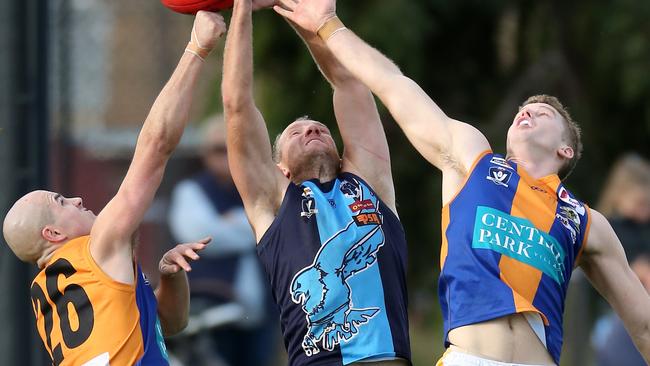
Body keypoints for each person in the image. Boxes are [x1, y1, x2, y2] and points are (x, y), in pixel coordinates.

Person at [275, 1, 650, 365]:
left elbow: (644, 325)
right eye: (523, 109)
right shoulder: (474, 161)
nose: (528, 109)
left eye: (545, 111)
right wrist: (328, 25)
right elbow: (392, 85)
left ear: (566, 150)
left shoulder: (586, 221)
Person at [1, 11, 226, 365]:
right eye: (61, 201)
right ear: (53, 231)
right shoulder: (97, 249)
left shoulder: (47, 292)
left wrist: (170, 278)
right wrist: (197, 48)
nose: (76, 199)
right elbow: (155, 148)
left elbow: (171, 325)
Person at [221, 0, 411, 365]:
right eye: (296, 132)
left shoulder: (369, 181)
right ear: (281, 170)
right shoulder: (273, 202)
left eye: (319, 128)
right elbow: (237, 104)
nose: (310, 128)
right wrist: (242, 8)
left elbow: (350, 84)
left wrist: (315, 23)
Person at [167, 116, 276, 366]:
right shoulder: (191, 191)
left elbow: (279, 229)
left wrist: (232, 222)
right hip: (212, 315)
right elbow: (201, 236)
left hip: (262, 317)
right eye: (218, 149)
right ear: (205, 153)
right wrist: (254, 226)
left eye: (232, 147)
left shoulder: (261, 189)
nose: (225, 155)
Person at [590, 153, 650, 365]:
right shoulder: (609, 229)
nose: (645, 210)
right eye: (641, 203)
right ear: (620, 195)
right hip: (613, 315)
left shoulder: (644, 229)